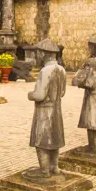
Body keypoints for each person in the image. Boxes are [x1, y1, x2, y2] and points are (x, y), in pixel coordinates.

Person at [28, 39, 66, 177]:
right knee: (54, 139)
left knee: (42, 141)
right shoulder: (61, 69)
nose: (36, 56)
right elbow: (62, 92)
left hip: (44, 111)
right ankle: (54, 167)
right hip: (56, 109)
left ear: (44, 53)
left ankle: (44, 170)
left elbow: (39, 95)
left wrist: (30, 95)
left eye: (38, 52)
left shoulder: (45, 71)